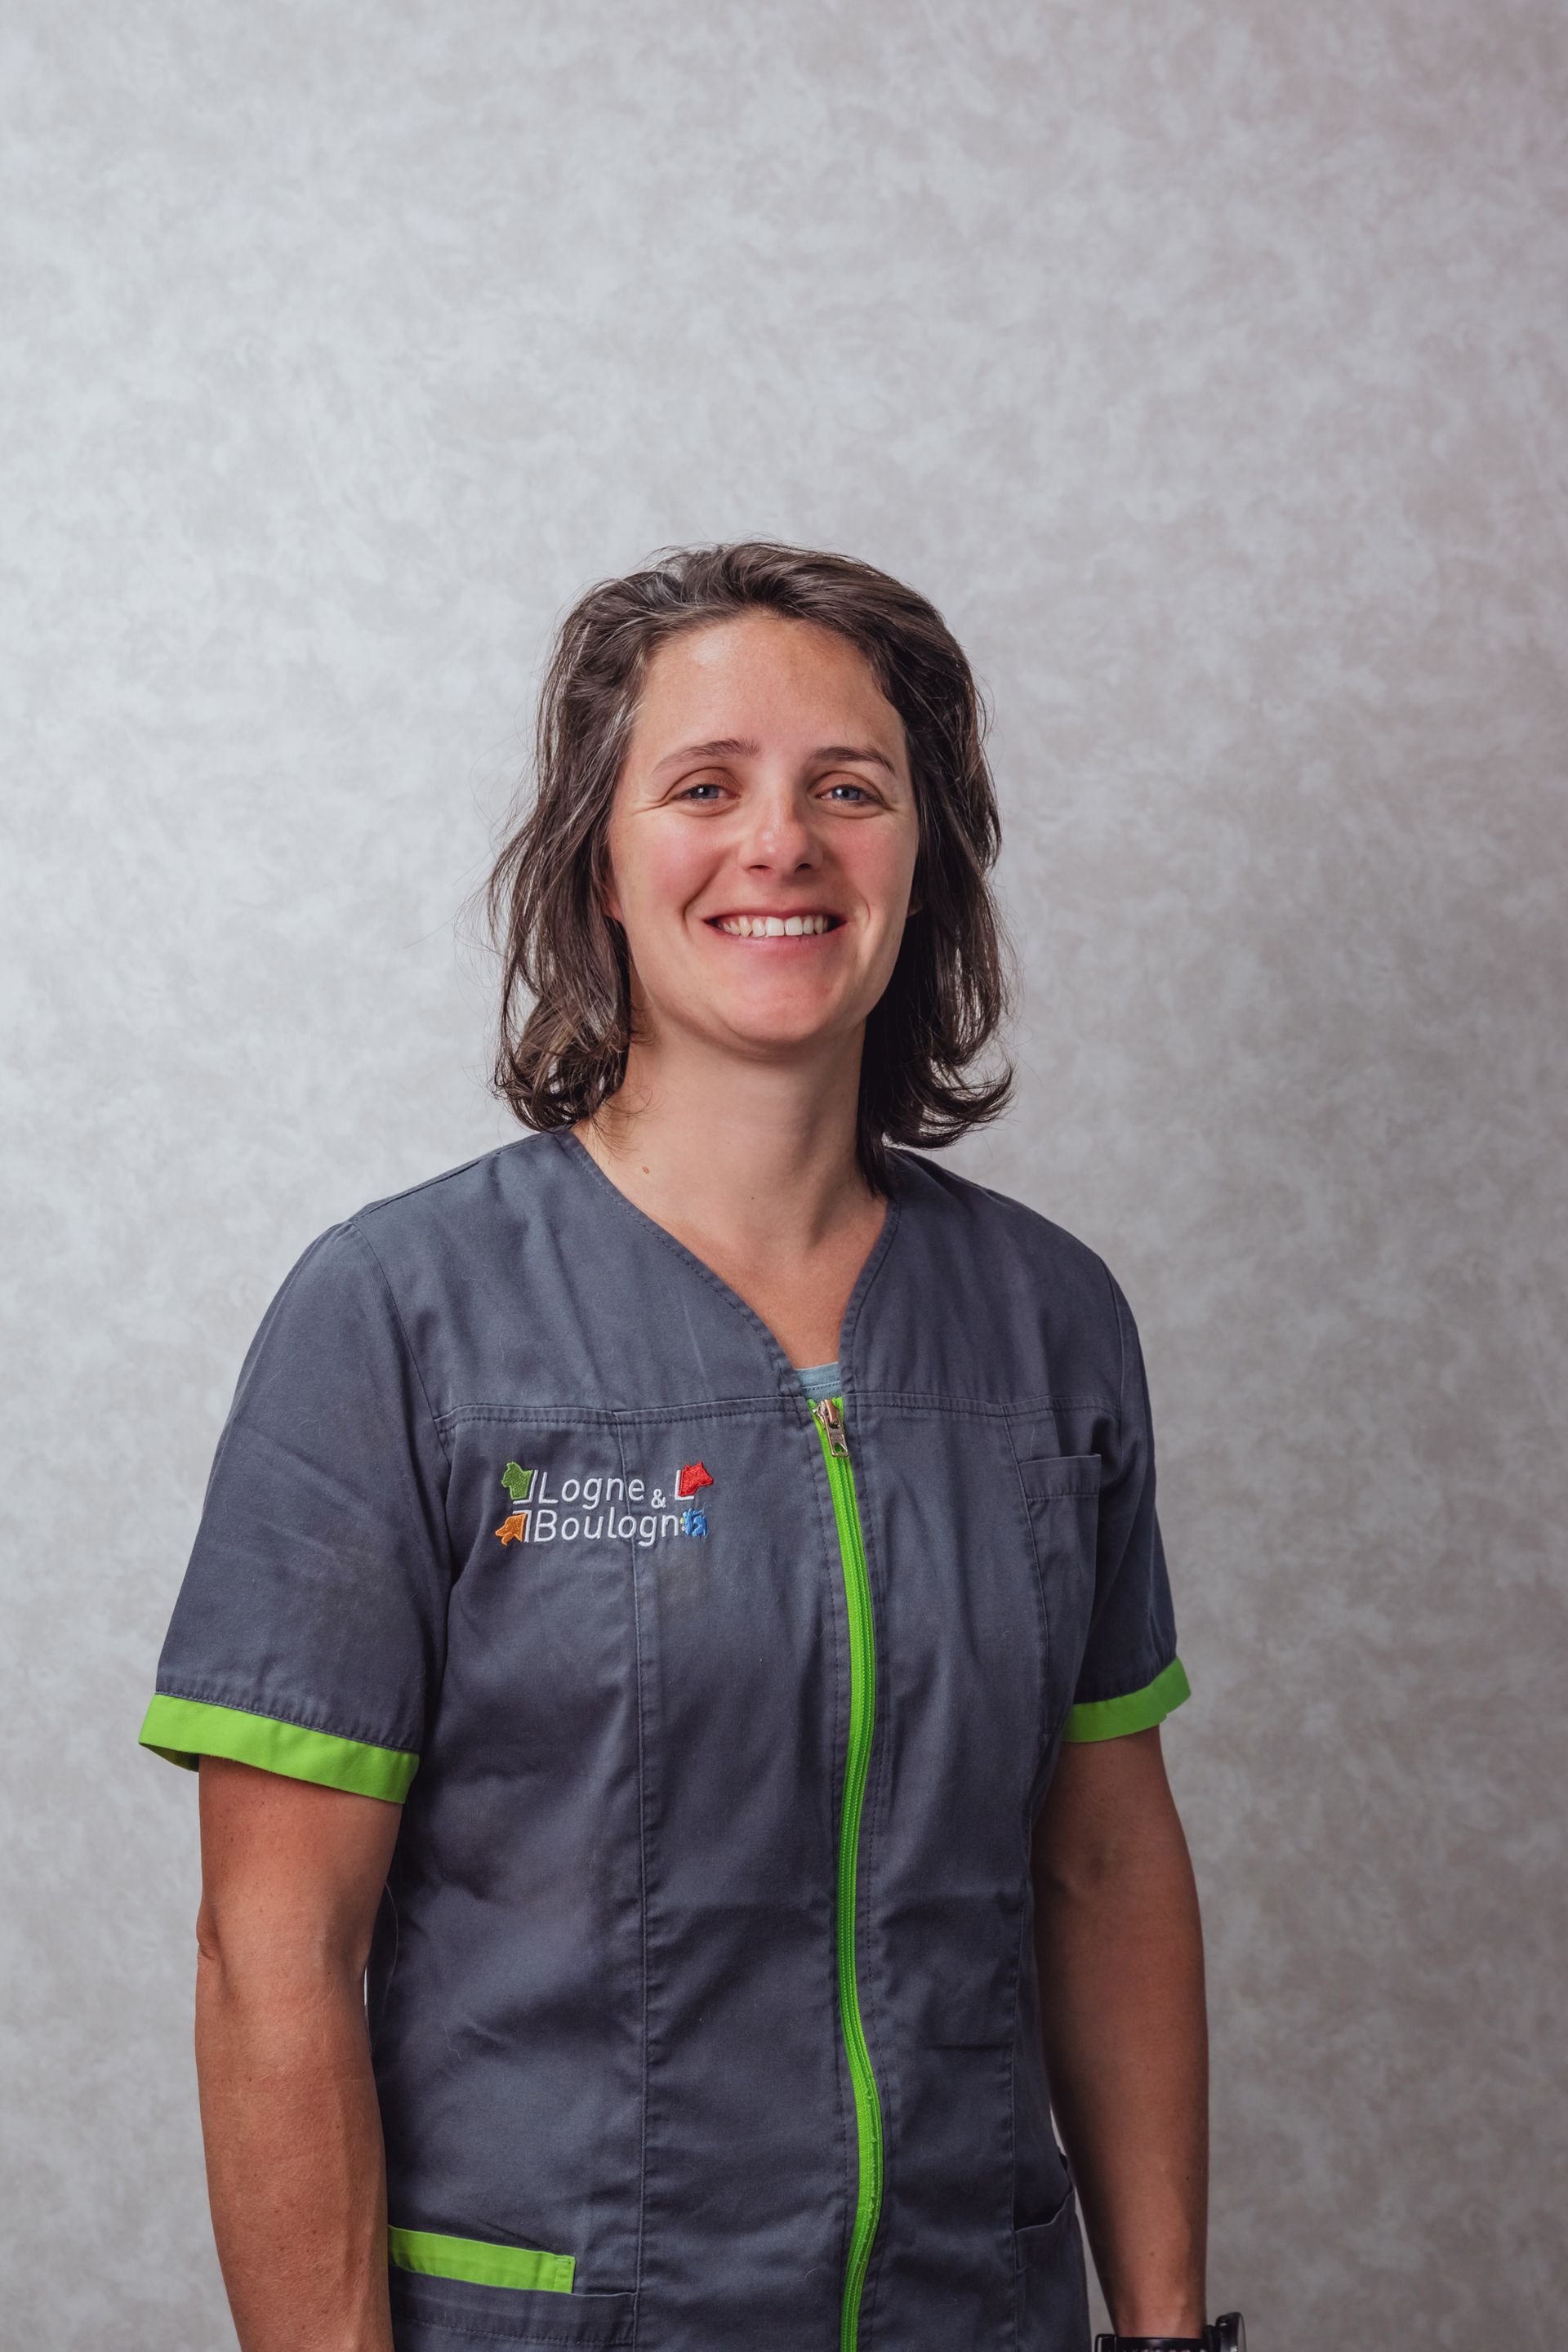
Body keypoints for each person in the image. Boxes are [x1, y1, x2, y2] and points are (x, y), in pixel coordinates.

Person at [140, 541, 1214, 2352]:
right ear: (602, 862)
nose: (778, 844)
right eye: (704, 787)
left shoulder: (1050, 1325)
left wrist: (1167, 2329)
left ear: (921, 861)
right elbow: (273, 1956)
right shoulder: (398, 1320)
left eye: (848, 790)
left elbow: (1106, 1866)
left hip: (974, 2309)